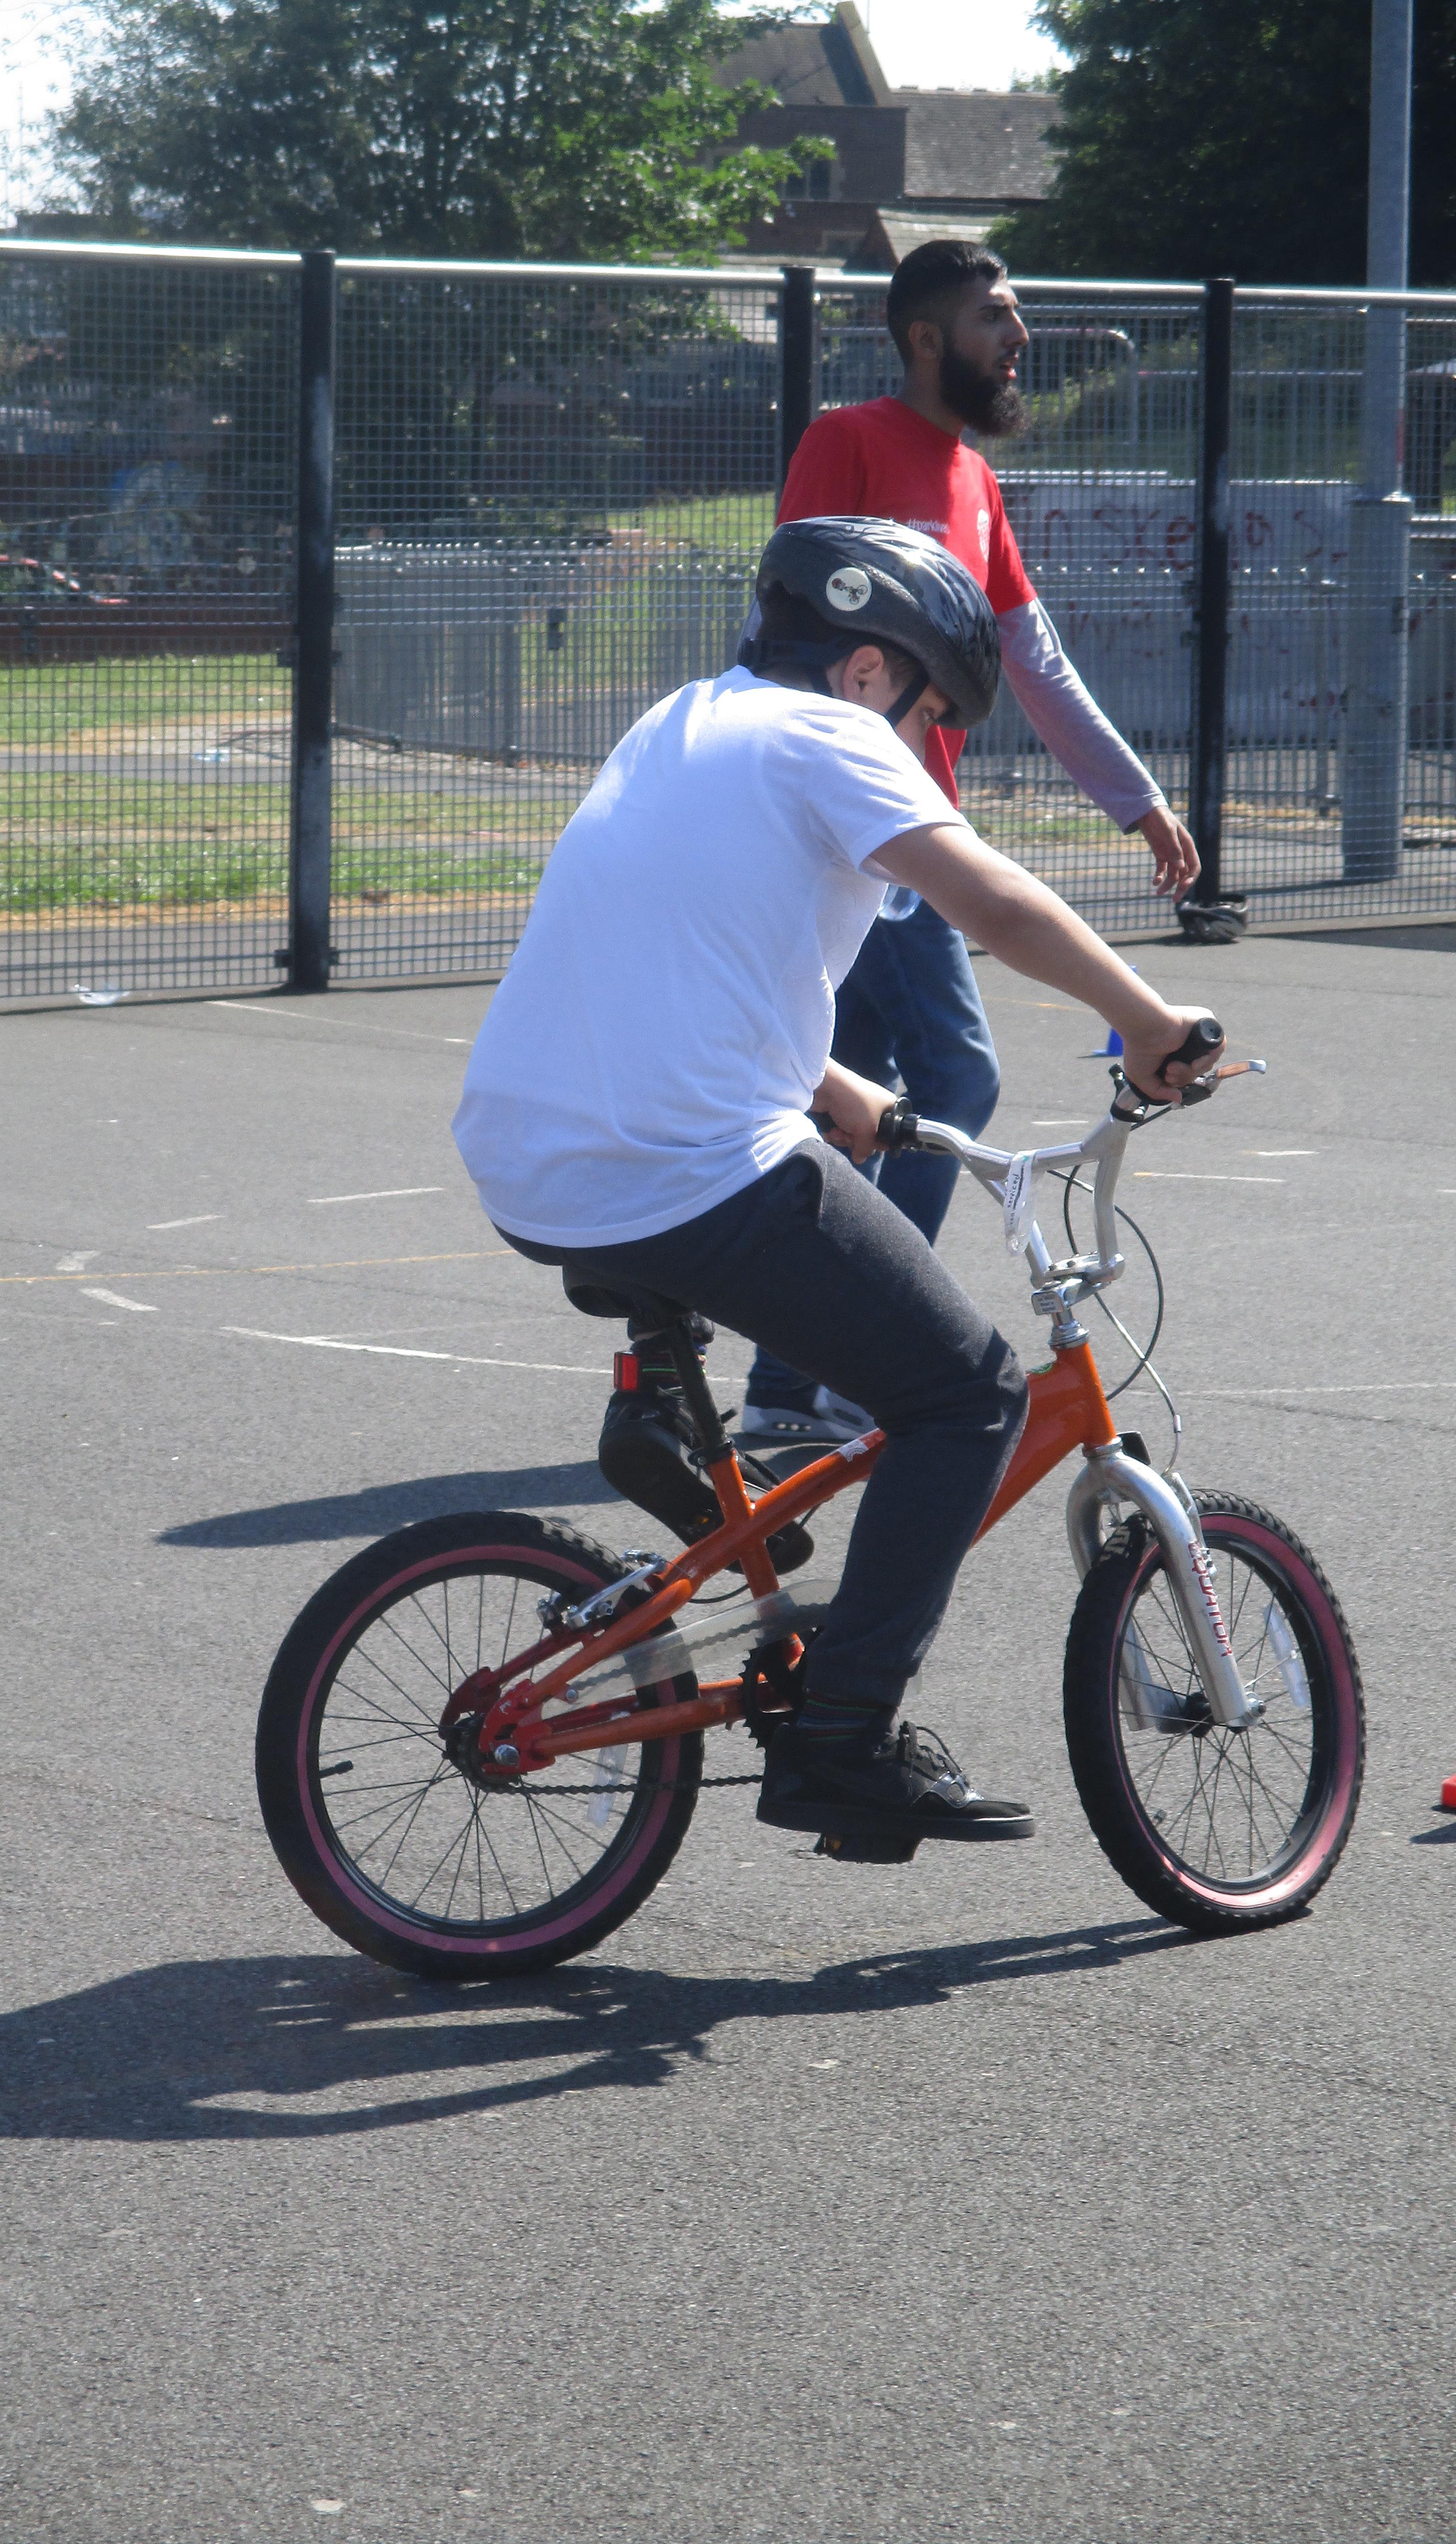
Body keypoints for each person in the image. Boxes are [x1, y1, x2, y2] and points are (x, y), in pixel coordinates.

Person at [452, 517, 1220, 1845]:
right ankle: (843, 1735)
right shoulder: (830, 735)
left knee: (827, 1280)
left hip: (529, 1154)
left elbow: (680, 948)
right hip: (679, 1167)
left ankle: (661, 1408)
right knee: (968, 1396)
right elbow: (993, 902)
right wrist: (1149, 1021)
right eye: (928, 716)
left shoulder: (682, 721)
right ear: (868, 670)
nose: (924, 748)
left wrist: (828, 1079)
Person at [737, 238, 1203, 1453]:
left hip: (905, 832)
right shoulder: (847, 440)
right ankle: (865, 1349)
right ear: (926, 337)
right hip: (863, 831)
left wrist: (1135, 796)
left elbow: (1033, 660)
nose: (1020, 336)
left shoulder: (976, 483)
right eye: (997, 315)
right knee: (956, 1079)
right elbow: (790, 622)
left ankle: (786, 1381)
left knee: (853, 1098)